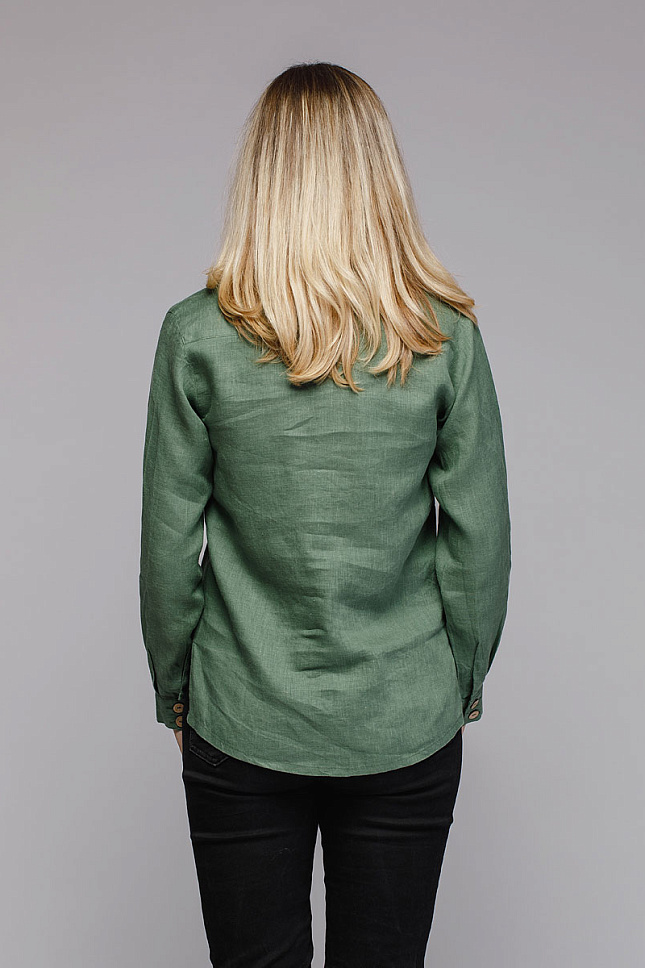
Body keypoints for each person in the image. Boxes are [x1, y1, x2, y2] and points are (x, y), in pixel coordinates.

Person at [139, 61, 511, 968]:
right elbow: (479, 543)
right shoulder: (443, 338)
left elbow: (166, 546)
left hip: (239, 710)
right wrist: (457, 681)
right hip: (403, 714)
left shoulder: (196, 336)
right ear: (379, 176)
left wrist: (176, 688)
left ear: (262, 177)